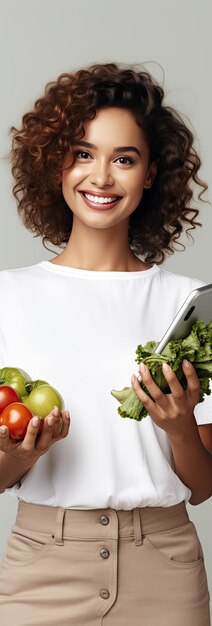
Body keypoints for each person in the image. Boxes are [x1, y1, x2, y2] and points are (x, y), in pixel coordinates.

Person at [0, 61, 211, 626]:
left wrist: (178, 426)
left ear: (150, 174)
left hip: (163, 566)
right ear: (55, 164)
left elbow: (205, 484)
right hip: (42, 564)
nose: (101, 176)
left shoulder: (189, 304)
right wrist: (18, 458)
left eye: (124, 158)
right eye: (82, 153)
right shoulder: (6, 297)